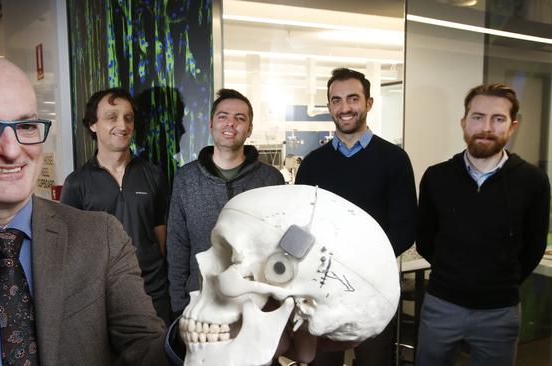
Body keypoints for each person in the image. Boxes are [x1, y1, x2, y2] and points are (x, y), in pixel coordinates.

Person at [0, 53, 169, 365]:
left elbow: (146, 350)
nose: (12, 150)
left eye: (26, 125)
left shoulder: (100, 238)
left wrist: (188, 338)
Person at [416, 83, 550, 365]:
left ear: (512, 127)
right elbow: (426, 240)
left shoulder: (533, 182)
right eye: (477, 117)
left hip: (499, 311)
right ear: (464, 123)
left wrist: (500, 282)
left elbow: (533, 247)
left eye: (498, 119)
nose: (486, 127)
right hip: (442, 305)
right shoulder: (437, 177)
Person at [295, 67, 417, 366]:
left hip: (374, 286)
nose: (345, 108)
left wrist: (357, 264)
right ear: (329, 107)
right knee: (322, 362)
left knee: (374, 361)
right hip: (322, 288)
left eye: (353, 98)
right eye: (337, 100)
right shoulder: (313, 164)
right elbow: (300, 223)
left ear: (369, 103)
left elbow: (405, 227)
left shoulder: (394, 160)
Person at [166, 88, 285, 316]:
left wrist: (275, 305)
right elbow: (177, 244)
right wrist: (179, 304)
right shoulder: (186, 178)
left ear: (249, 129)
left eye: (240, 118)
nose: (231, 123)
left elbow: (280, 245)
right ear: (211, 124)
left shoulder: (270, 179)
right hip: (201, 302)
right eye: (223, 117)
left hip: (257, 303)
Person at [61, 87, 172, 324]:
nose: (122, 125)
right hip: (102, 296)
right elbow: (71, 249)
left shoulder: (153, 175)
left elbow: (160, 235)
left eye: (128, 118)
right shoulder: (77, 183)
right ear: (93, 124)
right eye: (112, 117)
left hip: (153, 293)